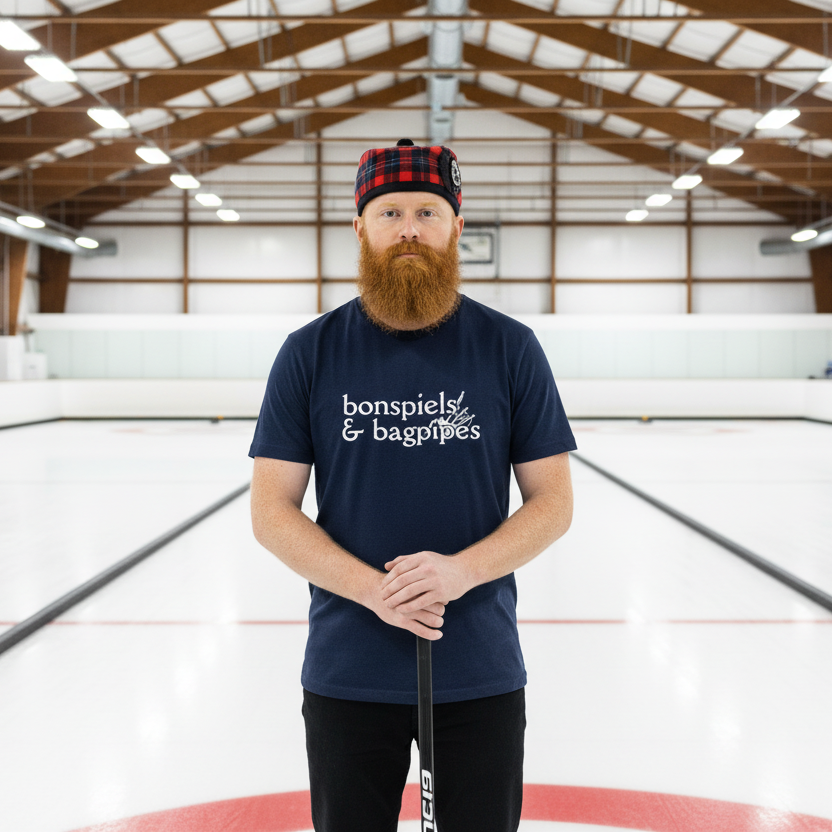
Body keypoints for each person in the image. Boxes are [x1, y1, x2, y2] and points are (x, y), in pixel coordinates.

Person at [249, 138, 576, 831]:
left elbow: (552, 502)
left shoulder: (509, 348)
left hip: (478, 668)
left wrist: (461, 572)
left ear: (458, 227)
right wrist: (377, 591)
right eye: (389, 211)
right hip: (347, 668)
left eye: (427, 211)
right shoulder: (309, 353)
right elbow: (271, 512)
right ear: (360, 228)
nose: (408, 229)